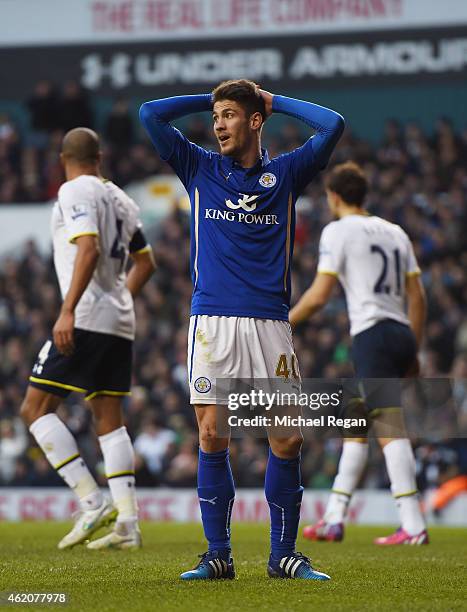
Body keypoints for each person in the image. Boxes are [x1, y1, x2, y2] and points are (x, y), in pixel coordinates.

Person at [140, 79, 344, 580]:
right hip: (212, 321)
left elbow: (333, 125)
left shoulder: (287, 173)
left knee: (287, 438)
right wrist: (208, 98)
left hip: (271, 322)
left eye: (230, 114)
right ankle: (218, 555)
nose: (218, 124)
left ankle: (283, 557)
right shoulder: (199, 167)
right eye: (216, 117)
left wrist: (272, 102)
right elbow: (150, 113)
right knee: (211, 434)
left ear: (255, 121)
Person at [20, 127, 156, 550]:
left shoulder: (73, 190)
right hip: (118, 320)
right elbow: (146, 262)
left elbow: (89, 248)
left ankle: (90, 500)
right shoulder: (123, 199)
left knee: (34, 407)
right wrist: (119, 302)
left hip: (84, 316)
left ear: (64, 158)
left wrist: (67, 309)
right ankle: (128, 523)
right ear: (99, 157)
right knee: (108, 417)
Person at [290, 161, 429, 545]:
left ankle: (414, 525)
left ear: (334, 197)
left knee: (388, 428)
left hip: (372, 334)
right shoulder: (395, 232)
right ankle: (334, 519)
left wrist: (284, 323)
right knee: (355, 426)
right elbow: (418, 296)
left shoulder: (338, 230)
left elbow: (319, 295)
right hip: (398, 332)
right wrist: (413, 347)